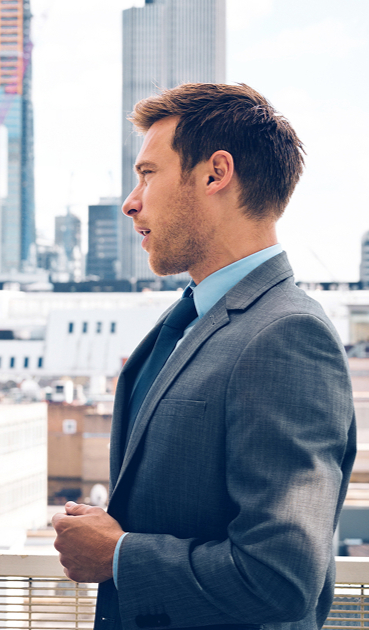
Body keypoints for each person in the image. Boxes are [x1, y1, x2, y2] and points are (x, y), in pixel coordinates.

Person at [52, 83, 356, 630]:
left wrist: (120, 556)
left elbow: (280, 576)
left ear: (216, 174)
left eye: (148, 173)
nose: (130, 201)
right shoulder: (192, 321)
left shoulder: (287, 335)